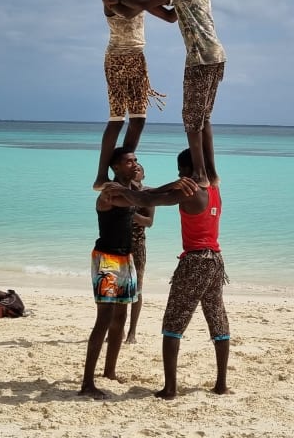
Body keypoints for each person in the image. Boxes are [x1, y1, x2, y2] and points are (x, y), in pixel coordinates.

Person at [101, 149, 231, 400]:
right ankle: (221, 385)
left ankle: (170, 389)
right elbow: (206, 149)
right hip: (216, 261)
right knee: (217, 320)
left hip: (195, 261)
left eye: (180, 171)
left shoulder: (191, 190)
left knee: (173, 324)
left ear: (185, 171)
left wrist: (122, 193)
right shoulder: (214, 187)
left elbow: (151, 200)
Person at [81, 148, 184, 399]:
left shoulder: (131, 190)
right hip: (107, 259)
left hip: (126, 257)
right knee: (104, 319)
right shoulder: (110, 191)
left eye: (136, 160)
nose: (134, 164)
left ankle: (109, 371)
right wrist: (172, 186)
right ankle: (87, 383)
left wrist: (176, 185)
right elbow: (148, 199)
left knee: (121, 318)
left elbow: (148, 195)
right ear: (115, 166)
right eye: (129, 161)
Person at [118, 0, 225, 188]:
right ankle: (212, 173)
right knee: (204, 118)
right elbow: (169, 16)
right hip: (217, 56)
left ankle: (200, 174)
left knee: (191, 119)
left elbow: (146, 1)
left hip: (200, 59)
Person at [93, 0, 169, 190]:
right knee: (116, 119)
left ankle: (124, 169)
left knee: (138, 120)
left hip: (138, 58)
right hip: (116, 59)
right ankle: (101, 175)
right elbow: (130, 11)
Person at [125, 162, 155, 343]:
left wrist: (130, 213)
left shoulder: (148, 195)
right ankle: (117, 329)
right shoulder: (121, 192)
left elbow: (149, 222)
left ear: (143, 176)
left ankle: (132, 332)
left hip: (137, 246)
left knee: (137, 290)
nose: (135, 170)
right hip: (118, 245)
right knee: (116, 290)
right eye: (133, 168)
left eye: (139, 169)